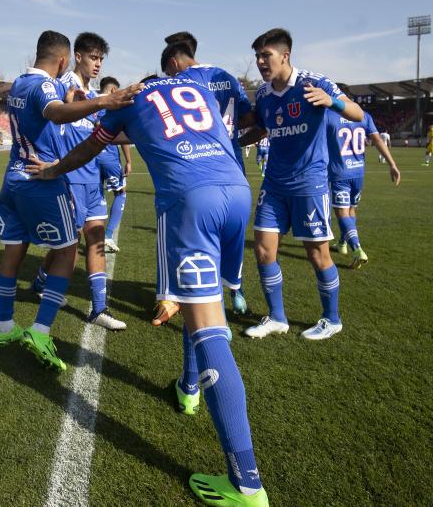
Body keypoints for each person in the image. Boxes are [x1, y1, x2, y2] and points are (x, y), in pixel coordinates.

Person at [25, 73, 269, 506]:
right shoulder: (198, 92)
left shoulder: (131, 99)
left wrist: (53, 169)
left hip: (192, 201)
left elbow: (90, 146)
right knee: (207, 306)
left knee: (208, 326)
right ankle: (188, 388)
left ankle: (246, 483)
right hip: (237, 192)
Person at [0, 30, 140, 372]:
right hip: (41, 179)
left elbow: (65, 105)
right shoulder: (45, 86)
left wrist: (80, 98)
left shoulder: (18, 83)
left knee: (15, 251)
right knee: (68, 251)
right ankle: (41, 331)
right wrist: (106, 101)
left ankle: (4, 328)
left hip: (13, 177)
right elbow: (57, 112)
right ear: (64, 60)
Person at [237, 28, 363, 341]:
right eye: (257, 57)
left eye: (266, 55)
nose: (261, 62)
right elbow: (263, 129)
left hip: (310, 184)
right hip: (275, 185)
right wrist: (234, 142)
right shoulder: (265, 94)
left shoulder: (315, 83)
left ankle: (331, 319)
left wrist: (331, 101)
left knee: (317, 254)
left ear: (285, 55)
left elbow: (358, 113)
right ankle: (277, 317)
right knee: (264, 250)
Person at [31, 32, 127, 331]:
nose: (98, 64)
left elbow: (103, 134)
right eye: (94, 57)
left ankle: (99, 309)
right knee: (66, 249)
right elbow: (44, 122)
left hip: (92, 181)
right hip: (67, 181)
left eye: (101, 59)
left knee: (96, 239)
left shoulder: (94, 95)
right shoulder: (59, 88)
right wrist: (48, 160)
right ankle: (40, 283)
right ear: (79, 56)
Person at [160, 34, 254, 317]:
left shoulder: (186, 81)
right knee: (232, 234)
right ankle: (237, 291)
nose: (169, 76)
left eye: (168, 71)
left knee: (200, 234)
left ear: (175, 62)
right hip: (234, 167)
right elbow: (248, 116)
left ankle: (192, 298)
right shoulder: (227, 75)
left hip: (201, 166)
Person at [326, 110, 400, 268]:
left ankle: (357, 249)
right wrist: (392, 164)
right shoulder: (363, 115)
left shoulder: (328, 115)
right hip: (358, 172)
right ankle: (342, 243)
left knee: (342, 213)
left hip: (340, 173)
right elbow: (378, 140)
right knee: (351, 210)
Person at [95, 76, 132, 253]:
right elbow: (121, 134)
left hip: (88, 157)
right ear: (112, 91)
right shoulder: (113, 107)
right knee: (121, 193)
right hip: (108, 156)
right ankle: (107, 235)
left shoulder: (88, 103)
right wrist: (129, 161)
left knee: (94, 195)